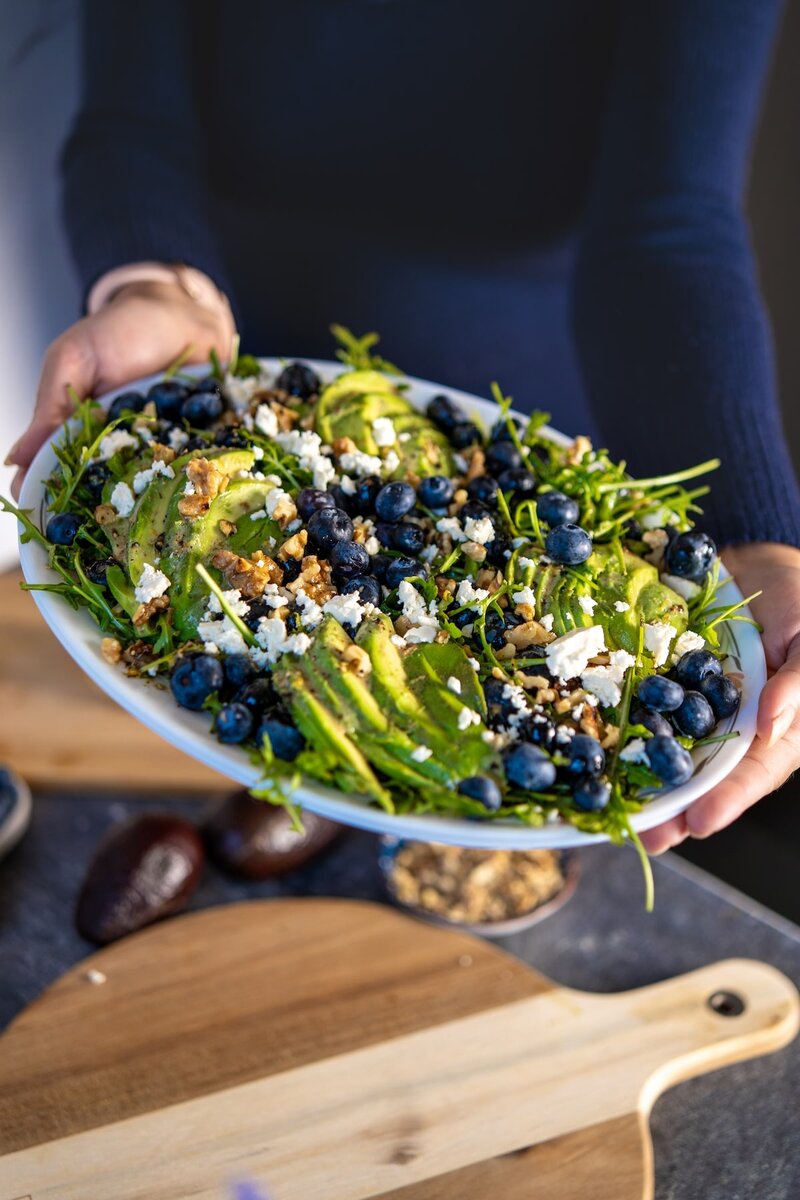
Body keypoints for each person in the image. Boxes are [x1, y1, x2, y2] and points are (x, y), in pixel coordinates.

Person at [7, 0, 800, 854]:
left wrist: (755, 540)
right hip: (217, 355)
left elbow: (669, 226)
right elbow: (131, 120)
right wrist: (155, 287)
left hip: (522, 418)